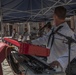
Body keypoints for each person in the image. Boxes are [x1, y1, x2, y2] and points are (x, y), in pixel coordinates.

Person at [32, 6, 76, 73]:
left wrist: (59, 61)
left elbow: (74, 50)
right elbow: (45, 39)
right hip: (49, 62)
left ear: (55, 16)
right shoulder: (54, 28)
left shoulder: (68, 32)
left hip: (58, 66)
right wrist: (32, 42)